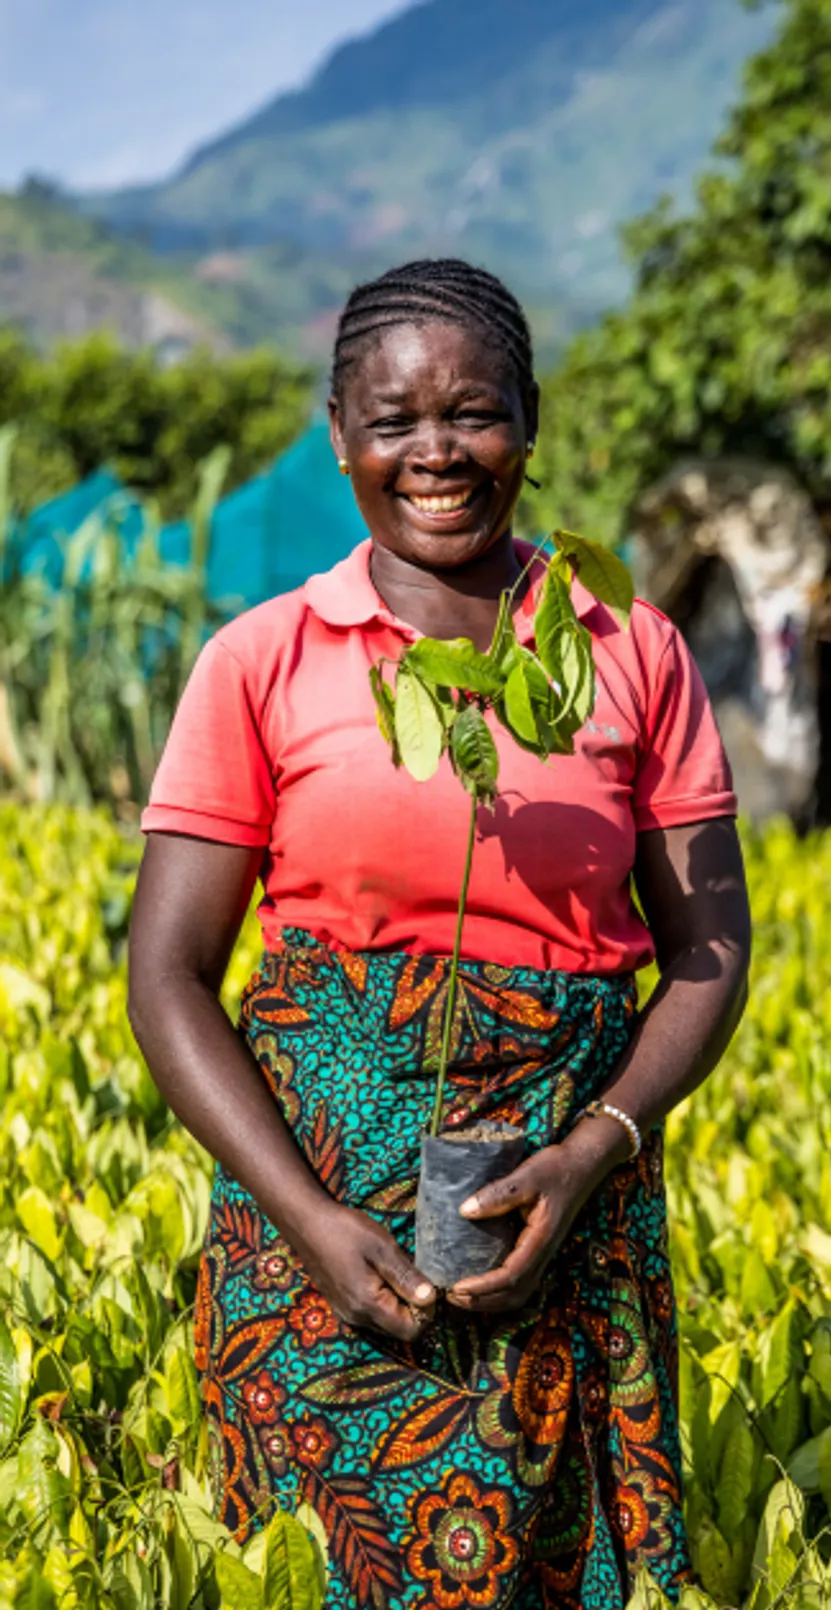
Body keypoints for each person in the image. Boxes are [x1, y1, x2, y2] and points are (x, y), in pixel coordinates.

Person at [128, 258, 751, 1610]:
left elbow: (709, 950)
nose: (437, 452)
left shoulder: (627, 649)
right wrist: (305, 1220)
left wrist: (596, 1147)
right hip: (317, 1233)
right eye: (395, 419)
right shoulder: (263, 659)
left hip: (560, 1223)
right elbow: (169, 974)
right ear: (342, 435)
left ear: (530, 420)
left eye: (472, 411)